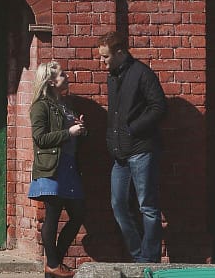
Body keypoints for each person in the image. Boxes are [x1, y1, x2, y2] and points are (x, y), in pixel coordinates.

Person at [98, 30, 167, 263]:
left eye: (105, 56)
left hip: (141, 150)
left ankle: (150, 259)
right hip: (120, 154)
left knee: (147, 206)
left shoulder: (142, 74)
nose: (102, 61)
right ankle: (139, 256)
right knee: (118, 205)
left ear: (120, 53)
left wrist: (132, 129)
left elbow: (159, 107)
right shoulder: (113, 76)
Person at [28, 60, 87, 277]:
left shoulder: (64, 104)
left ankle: (54, 265)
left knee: (78, 214)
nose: (67, 76)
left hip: (69, 166)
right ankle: (53, 265)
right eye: (62, 74)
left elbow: (71, 136)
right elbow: (40, 138)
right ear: (51, 81)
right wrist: (69, 132)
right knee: (52, 216)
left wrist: (81, 129)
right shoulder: (40, 106)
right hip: (52, 168)